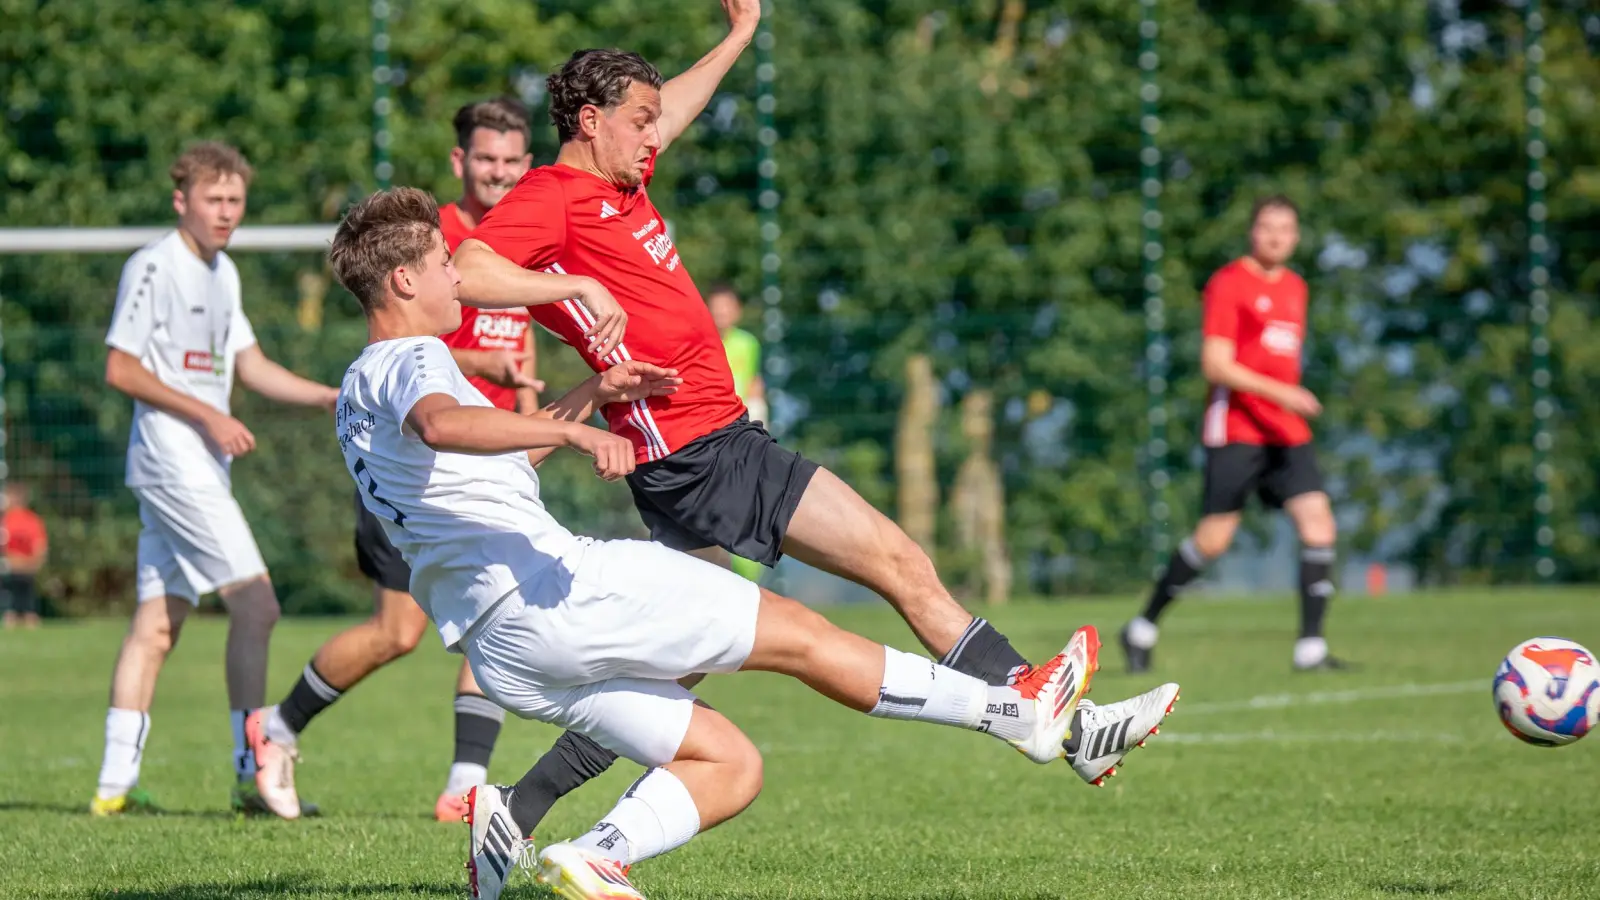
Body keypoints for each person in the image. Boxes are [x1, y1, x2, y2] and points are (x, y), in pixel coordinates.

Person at [320, 186, 1179, 900]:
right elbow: (442, 425)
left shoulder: (357, 396)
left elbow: (486, 456)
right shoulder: (414, 364)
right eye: (440, 265)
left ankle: (594, 852)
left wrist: (590, 393)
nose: (455, 278)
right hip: (561, 591)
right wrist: (584, 438)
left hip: (503, 646)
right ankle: (1023, 715)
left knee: (728, 762)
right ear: (401, 280)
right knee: (804, 637)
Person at [451, 5, 1174, 836]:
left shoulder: (621, 178)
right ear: (590, 120)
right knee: (897, 561)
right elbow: (468, 270)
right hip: (701, 447)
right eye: (639, 122)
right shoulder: (554, 196)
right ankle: (1046, 713)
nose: (657, 137)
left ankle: (515, 807)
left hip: (696, 451)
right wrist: (572, 289)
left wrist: (736, 37)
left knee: (680, 667)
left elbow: (672, 108)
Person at [247, 98, 548, 822]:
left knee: (502, 595)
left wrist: (539, 428)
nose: (499, 173)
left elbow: (524, 352)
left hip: (486, 464)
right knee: (397, 632)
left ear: (527, 165)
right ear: (461, 162)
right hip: (418, 458)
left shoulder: (530, 242)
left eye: (511, 161)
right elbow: (409, 349)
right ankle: (277, 726)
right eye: (486, 160)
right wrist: (484, 366)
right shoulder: (426, 244)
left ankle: (462, 785)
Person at [92, 142, 341, 817]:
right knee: (258, 605)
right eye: (213, 200)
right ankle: (251, 772)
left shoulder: (222, 272)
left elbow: (251, 365)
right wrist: (207, 413)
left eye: (235, 201)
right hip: (173, 460)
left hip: (198, 466)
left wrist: (326, 396)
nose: (226, 213)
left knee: (158, 625)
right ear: (183, 201)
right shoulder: (154, 265)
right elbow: (121, 368)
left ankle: (113, 789)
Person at [1121, 195, 1346, 674]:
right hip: (1238, 429)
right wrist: (1280, 393)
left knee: (1319, 524)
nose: (1276, 237)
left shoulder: (1295, 288)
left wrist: (1285, 402)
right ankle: (1142, 627)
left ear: (1297, 236)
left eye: (1286, 228)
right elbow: (1216, 364)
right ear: (1252, 231)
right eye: (1267, 227)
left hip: (1285, 431)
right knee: (1213, 541)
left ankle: (1311, 650)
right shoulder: (1229, 284)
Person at [705, 283, 766, 582]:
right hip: (706, 434)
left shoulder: (748, 343)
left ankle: (750, 580)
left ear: (737, 311)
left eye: (727, 307)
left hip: (740, 431)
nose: (721, 314)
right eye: (715, 308)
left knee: (744, 502)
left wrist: (759, 421)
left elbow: (754, 381)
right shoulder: (700, 342)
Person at [1, 482, 48, 630]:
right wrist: (36, 563)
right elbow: (40, 547)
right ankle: (29, 618)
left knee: (12, 602)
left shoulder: (6, 520)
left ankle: (13, 617)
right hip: (27, 567)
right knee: (28, 601)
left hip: (12, 566)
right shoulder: (33, 520)